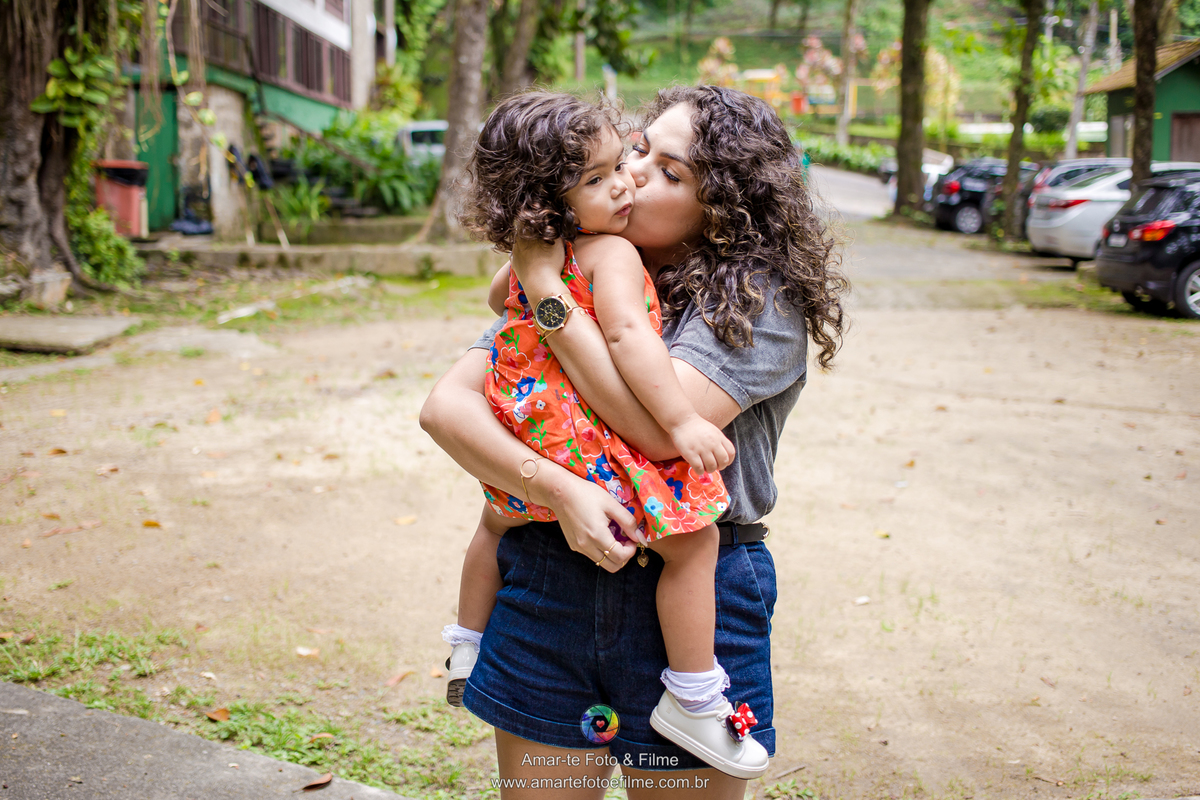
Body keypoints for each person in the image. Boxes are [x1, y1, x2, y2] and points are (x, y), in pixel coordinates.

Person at [421, 85, 847, 799]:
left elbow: (656, 433)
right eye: (638, 149)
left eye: (670, 171)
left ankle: (691, 697)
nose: (635, 173)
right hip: (549, 578)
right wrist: (558, 487)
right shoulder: (580, 262)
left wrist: (544, 291)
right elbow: (446, 408)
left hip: (690, 598)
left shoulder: (753, 301)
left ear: (726, 207)